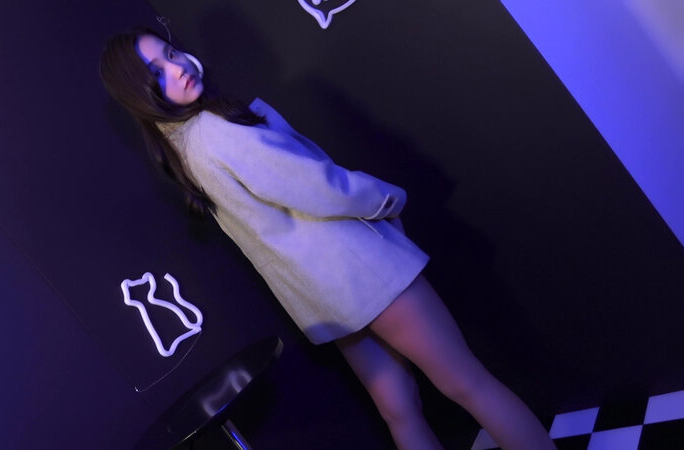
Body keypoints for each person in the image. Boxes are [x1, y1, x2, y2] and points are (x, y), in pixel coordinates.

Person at [99, 25, 556, 450]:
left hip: (324, 300)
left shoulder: (181, 151)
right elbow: (318, 187)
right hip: (360, 273)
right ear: (138, 94)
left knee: (399, 411)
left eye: (172, 53)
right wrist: (389, 198)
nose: (178, 67)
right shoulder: (212, 133)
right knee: (469, 384)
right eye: (157, 71)